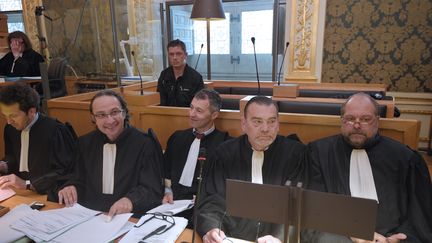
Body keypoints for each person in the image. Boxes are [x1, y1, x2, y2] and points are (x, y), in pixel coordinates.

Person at [306, 92, 432, 243]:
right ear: (342, 120)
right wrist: (352, 233)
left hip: (392, 237)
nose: (357, 125)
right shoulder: (319, 153)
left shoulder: (405, 158)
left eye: (365, 119)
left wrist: (400, 237)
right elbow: (315, 207)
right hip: (339, 234)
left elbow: (418, 214)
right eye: (350, 119)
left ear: (377, 121)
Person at [197, 96, 310, 243]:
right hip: (231, 235)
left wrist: (281, 238)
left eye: (271, 121)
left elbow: (299, 204)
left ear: (278, 124)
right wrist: (212, 228)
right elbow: (213, 199)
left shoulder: (296, 155)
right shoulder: (224, 154)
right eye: (257, 122)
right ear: (243, 124)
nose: (265, 129)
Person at [58, 90, 164, 219]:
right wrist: (70, 186)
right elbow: (77, 177)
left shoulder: (145, 144)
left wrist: (130, 200)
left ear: (124, 112)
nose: (109, 120)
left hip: (129, 218)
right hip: (90, 215)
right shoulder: (84, 143)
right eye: (101, 115)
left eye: (114, 112)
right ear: (93, 118)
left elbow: (152, 188)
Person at [162, 89, 231, 224]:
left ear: (214, 115)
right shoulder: (177, 138)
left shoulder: (225, 145)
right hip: (170, 206)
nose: (192, 114)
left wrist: (204, 197)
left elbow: (225, 187)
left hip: (204, 211)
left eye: (199, 111)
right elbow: (165, 173)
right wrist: (167, 191)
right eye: (191, 108)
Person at [0, 84, 75, 197]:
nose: (9, 121)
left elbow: (65, 172)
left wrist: (28, 184)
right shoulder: (10, 128)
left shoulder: (55, 131)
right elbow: (13, 157)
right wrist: (5, 165)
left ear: (31, 111)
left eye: (13, 116)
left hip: (49, 195)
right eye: (5, 116)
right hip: (20, 193)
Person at [157, 39, 204, 107]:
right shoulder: (164, 75)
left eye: (178, 54)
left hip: (188, 115)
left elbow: (198, 105)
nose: (175, 57)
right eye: (171, 54)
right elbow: (159, 100)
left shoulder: (196, 77)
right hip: (166, 114)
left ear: (185, 55)